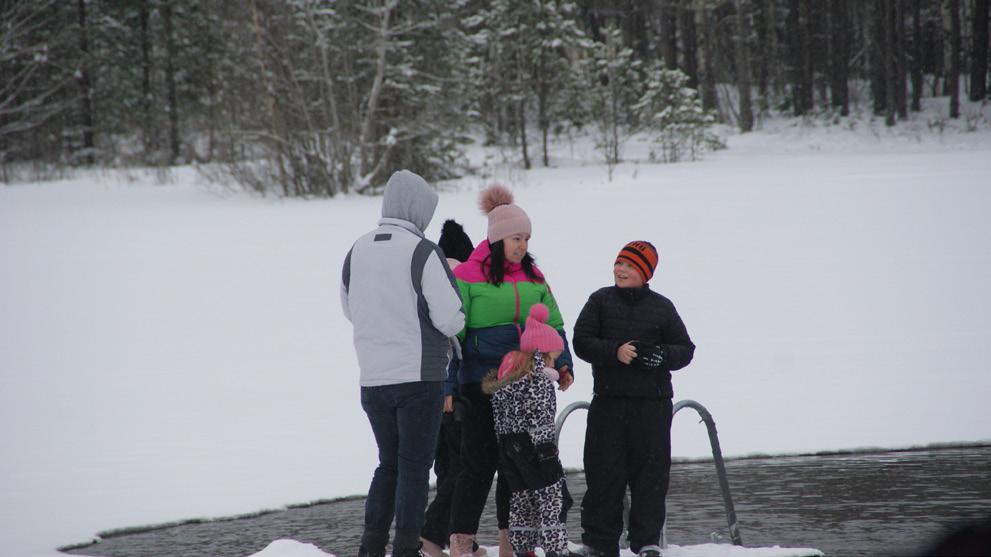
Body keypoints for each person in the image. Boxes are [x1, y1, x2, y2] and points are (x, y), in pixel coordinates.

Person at [341, 170, 465, 557]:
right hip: (419, 378)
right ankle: (406, 549)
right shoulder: (423, 251)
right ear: (416, 209)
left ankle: (372, 545)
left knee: (388, 465)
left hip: (373, 378)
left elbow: (350, 309)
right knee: (414, 467)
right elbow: (450, 318)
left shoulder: (356, 249)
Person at [448, 184, 575, 557]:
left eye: (526, 238)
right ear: (497, 239)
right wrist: (449, 384)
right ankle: (461, 542)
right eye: (515, 238)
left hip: (525, 385)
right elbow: (453, 334)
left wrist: (563, 362)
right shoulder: (469, 276)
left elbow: (555, 323)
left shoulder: (534, 276)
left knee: (516, 462)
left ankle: (511, 541)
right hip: (481, 383)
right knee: (478, 462)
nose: (521, 245)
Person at [572, 241, 696, 557]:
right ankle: (600, 544)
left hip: (651, 406)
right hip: (608, 404)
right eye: (618, 263)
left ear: (645, 272)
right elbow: (581, 342)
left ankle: (647, 542)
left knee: (650, 477)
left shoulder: (663, 307)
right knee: (603, 476)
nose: (620, 269)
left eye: (628, 265)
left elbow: (685, 349)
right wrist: (614, 351)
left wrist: (661, 355)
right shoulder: (599, 300)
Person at [483, 303, 570, 557]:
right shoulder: (538, 379)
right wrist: (546, 450)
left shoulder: (507, 377)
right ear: (542, 354)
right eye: (553, 357)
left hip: (509, 447)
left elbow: (501, 418)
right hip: (534, 445)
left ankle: (523, 549)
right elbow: (540, 415)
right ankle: (556, 550)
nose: (555, 363)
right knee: (551, 498)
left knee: (521, 499)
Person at [421, 220, 486, 557]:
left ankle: (459, 540)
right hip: (458, 391)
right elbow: (458, 344)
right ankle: (431, 536)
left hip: (429, 389)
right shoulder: (464, 284)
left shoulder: (427, 282)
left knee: (447, 468)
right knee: (463, 469)